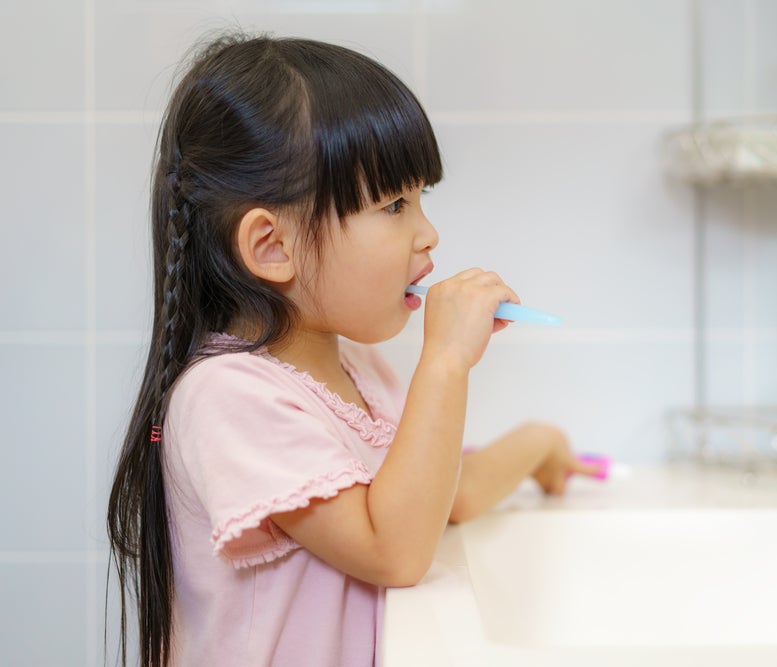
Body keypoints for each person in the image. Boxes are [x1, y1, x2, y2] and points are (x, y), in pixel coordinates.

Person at [105, 32, 600, 667]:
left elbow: (443, 497)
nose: (429, 234)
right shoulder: (227, 397)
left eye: (422, 198)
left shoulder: (360, 372)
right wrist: (444, 361)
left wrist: (539, 445)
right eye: (395, 203)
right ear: (273, 246)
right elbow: (393, 548)